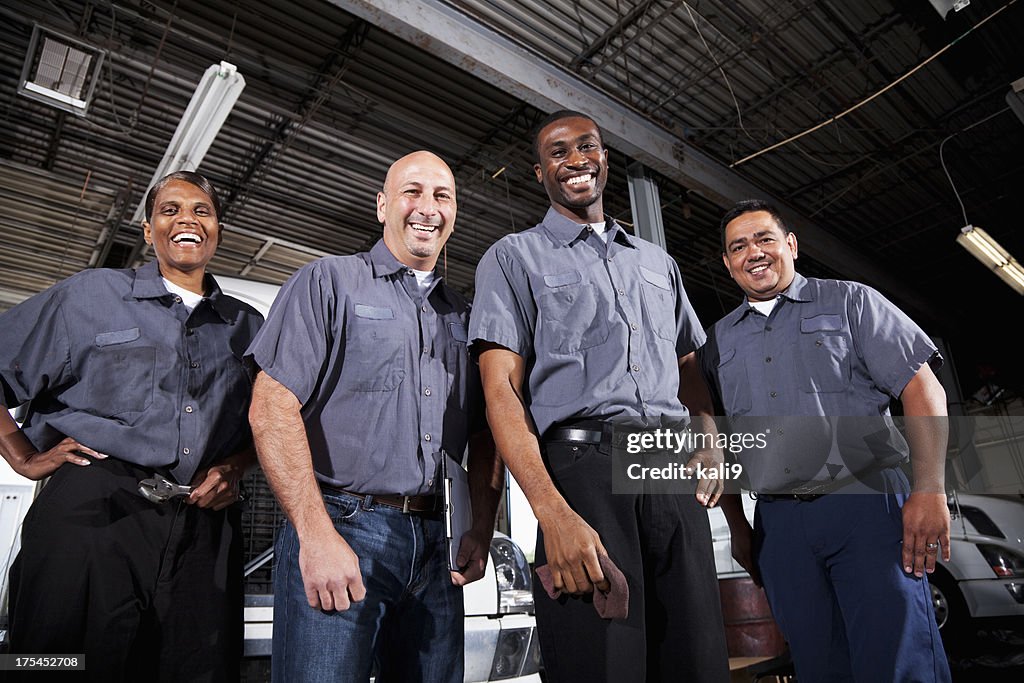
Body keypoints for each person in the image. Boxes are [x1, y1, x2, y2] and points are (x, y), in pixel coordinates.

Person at [469, 110, 731, 683]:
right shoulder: (513, 258)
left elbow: (687, 361)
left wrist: (709, 438)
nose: (575, 160)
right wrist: (551, 512)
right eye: (558, 153)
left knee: (698, 660)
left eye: (586, 146)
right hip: (583, 475)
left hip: (669, 471)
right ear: (540, 173)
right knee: (603, 662)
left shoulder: (657, 263)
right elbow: (501, 394)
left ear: (605, 158)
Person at [246, 150, 503, 683]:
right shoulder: (328, 282)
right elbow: (271, 408)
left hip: (436, 543)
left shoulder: (465, 315)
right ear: (383, 205)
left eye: (442, 195)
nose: (427, 207)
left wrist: (481, 522)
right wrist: (315, 536)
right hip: (343, 529)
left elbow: (483, 432)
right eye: (412, 191)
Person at [0, 170, 264, 682]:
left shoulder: (249, 327)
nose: (186, 219)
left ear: (217, 230)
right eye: (170, 210)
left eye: (201, 211)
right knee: (55, 665)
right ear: (148, 231)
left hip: (203, 526)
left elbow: (271, 423)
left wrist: (235, 466)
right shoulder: (90, 295)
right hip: (93, 511)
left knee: (196, 666)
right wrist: (20, 454)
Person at [701, 199, 951, 682]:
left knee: (898, 657)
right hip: (779, 522)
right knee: (819, 664)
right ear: (728, 264)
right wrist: (738, 525)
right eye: (738, 246)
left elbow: (923, 388)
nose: (753, 252)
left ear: (790, 245)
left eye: (764, 239)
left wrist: (929, 489)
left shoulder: (851, 302)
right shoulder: (719, 343)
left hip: (867, 506)